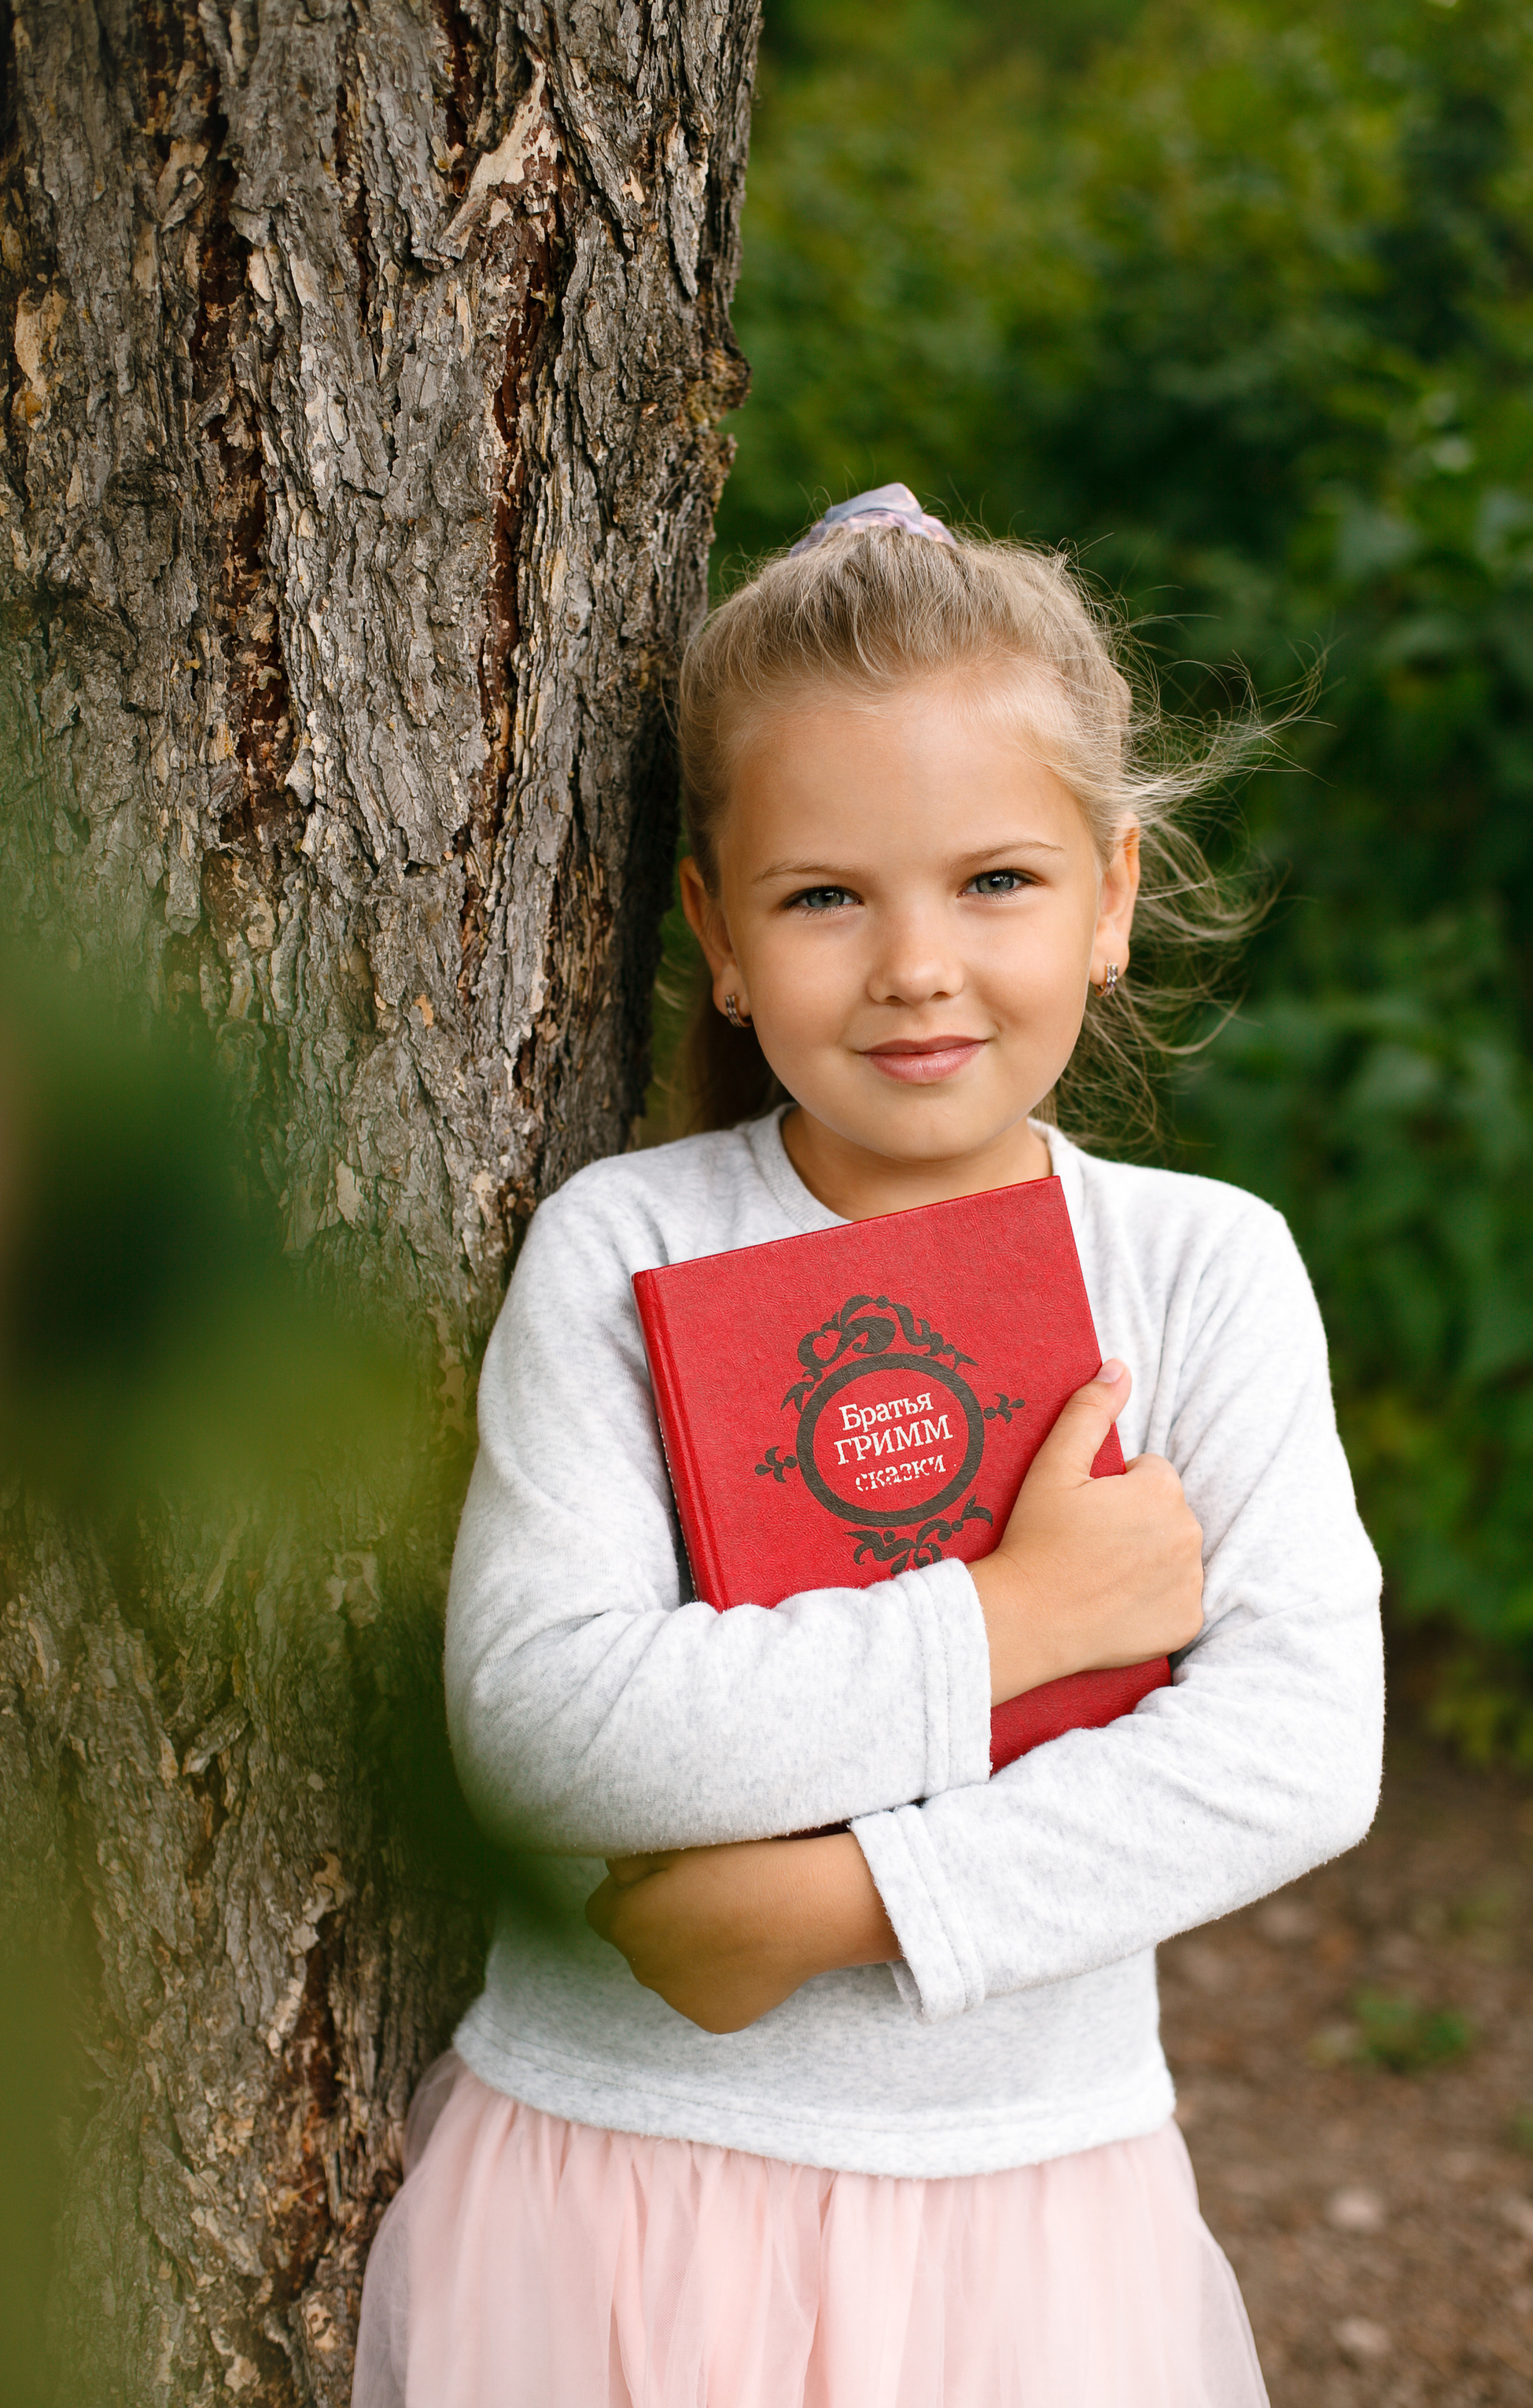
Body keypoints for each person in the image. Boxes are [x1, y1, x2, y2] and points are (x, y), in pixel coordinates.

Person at [353, 486, 1384, 2407]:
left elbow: (1298, 1751)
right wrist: (1014, 1618)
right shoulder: (633, 1247)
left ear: (1115, 898)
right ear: (720, 938)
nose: (916, 964)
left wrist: (834, 1906)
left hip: (1028, 2223)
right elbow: (545, 1721)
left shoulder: (1194, 1273)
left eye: (995, 881)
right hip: (614, 2195)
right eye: (828, 895)